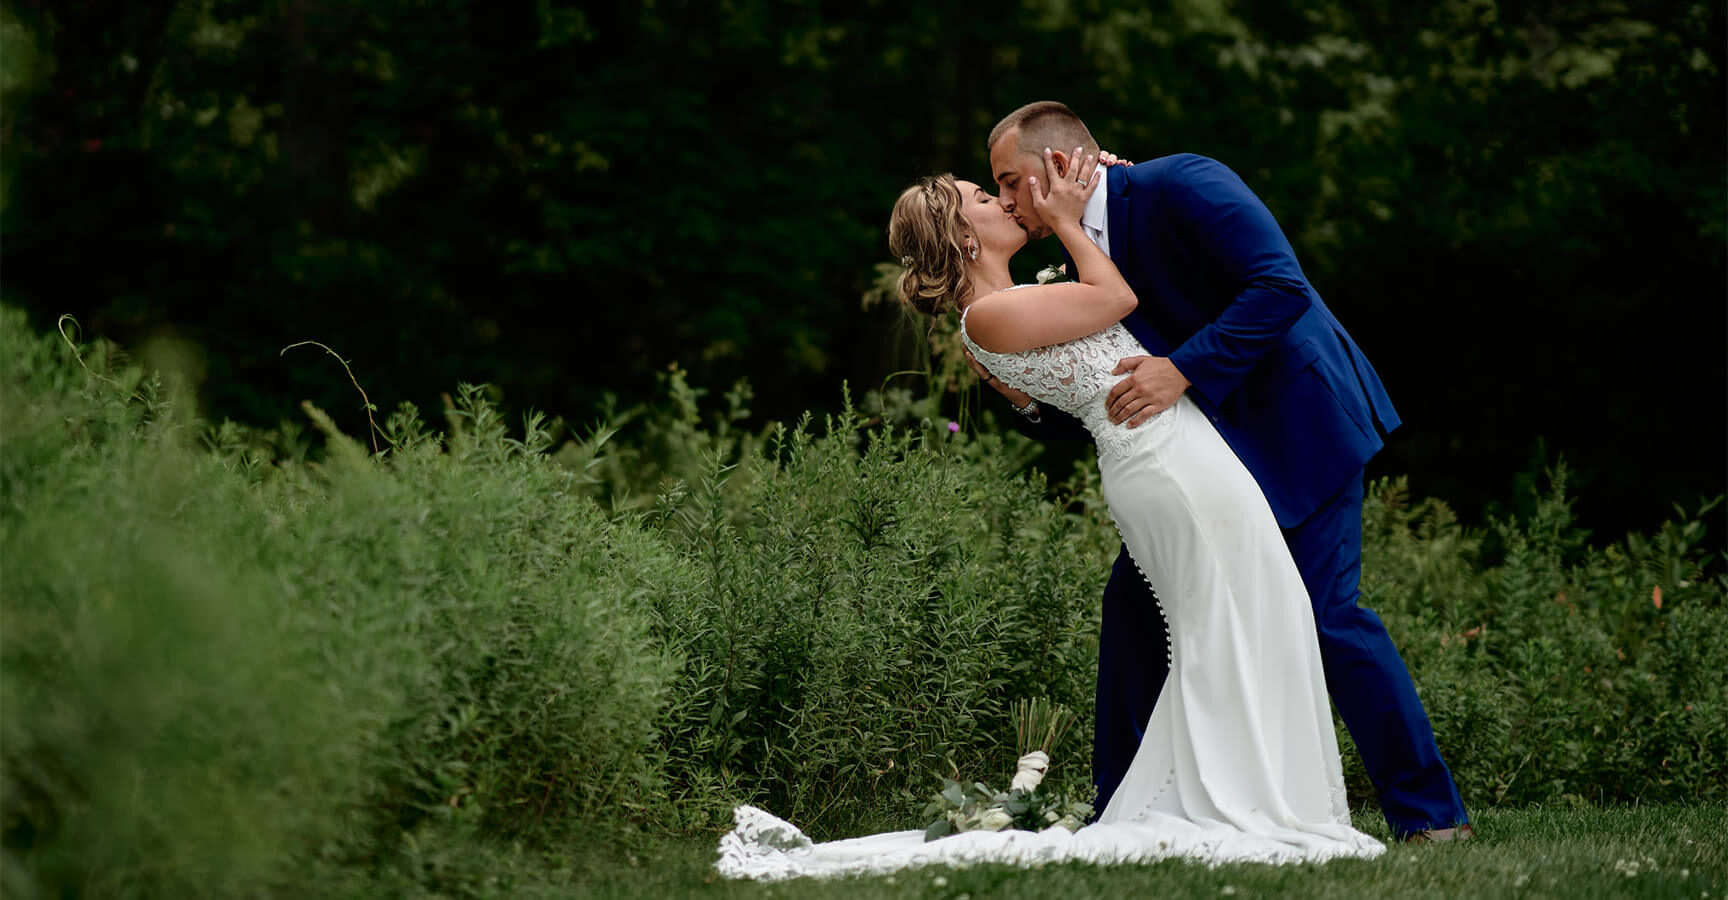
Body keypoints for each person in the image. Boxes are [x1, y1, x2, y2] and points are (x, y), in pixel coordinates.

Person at [714, 154, 1384, 880]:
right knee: (1233, 618)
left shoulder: (1007, 306)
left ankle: (1246, 792)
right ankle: (1243, 799)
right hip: (1167, 462)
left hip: (1172, 452)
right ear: (961, 234)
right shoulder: (994, 313)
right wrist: (1068, 218)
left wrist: (1102, 185)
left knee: (1250, 613)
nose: (1003, 200)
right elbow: (1119, 298)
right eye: (983, 195)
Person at [981, 100, 1470, 842]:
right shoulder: (1074, 252)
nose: (1011, 203)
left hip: (1301, 426)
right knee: (1133, 618)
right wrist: (1020, 397)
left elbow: (1279, 287)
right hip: (1205, 464)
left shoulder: (1184, 184)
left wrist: (1183, 369)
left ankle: (1433, 817)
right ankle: (1122, 814)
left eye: (1011, 181)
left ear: (1057, 165)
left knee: (1327, 618)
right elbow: (1092, 377)